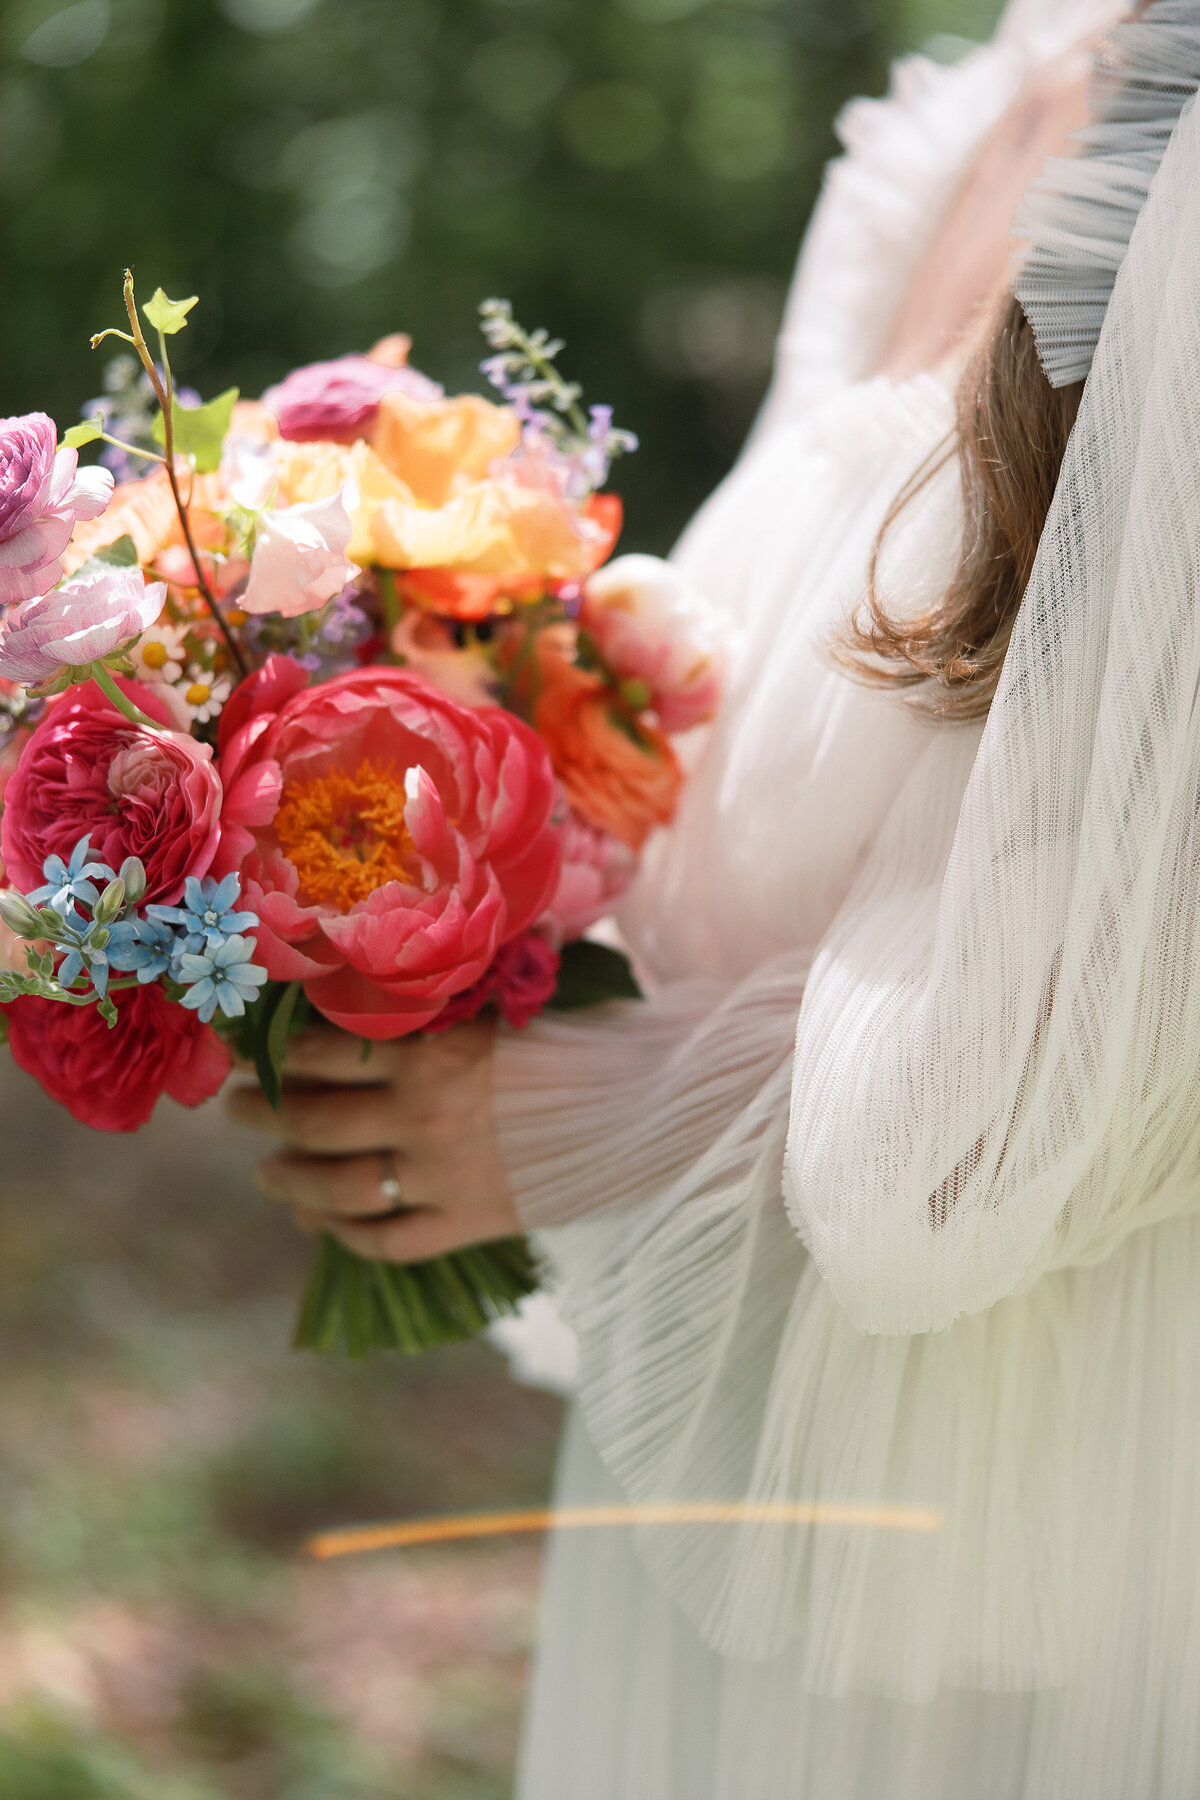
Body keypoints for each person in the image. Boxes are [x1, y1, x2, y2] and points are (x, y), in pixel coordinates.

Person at [228, 1, 1200, 1793]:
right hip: (764, 1459)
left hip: (1019, 1507)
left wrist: (569, 1108)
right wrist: (375, 902)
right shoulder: (998, 90)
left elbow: (1109, 1010)